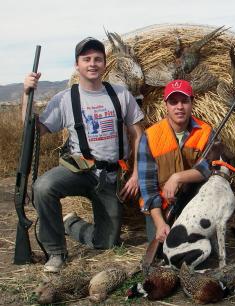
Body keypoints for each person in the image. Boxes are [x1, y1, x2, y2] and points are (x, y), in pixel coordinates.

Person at [22, 37, 144, 272]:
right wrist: (27, 93)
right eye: (86, 59)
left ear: (105, 63)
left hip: (111, 176)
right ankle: (56, 252)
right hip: (81, 170)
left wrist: (137, 172)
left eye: (97, 59)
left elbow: (138, 133)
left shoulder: (120, 94)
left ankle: (72, 224)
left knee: (106, 244)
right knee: (43, 187)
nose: (92, 63)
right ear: (77, 65)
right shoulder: (64, 99)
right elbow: (35, 131)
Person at [138, 79, 213, 243]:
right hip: (161, 207)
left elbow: (210, 167)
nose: (179, 107)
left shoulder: (206, 132)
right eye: (173, 101)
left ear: (192, 103)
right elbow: (147, 186)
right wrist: (160, 223)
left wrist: (177, 177)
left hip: (194, 204)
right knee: (160, 252)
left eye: (184, 101)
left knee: (197, 247)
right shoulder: (150, 136)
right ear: (166, 105)